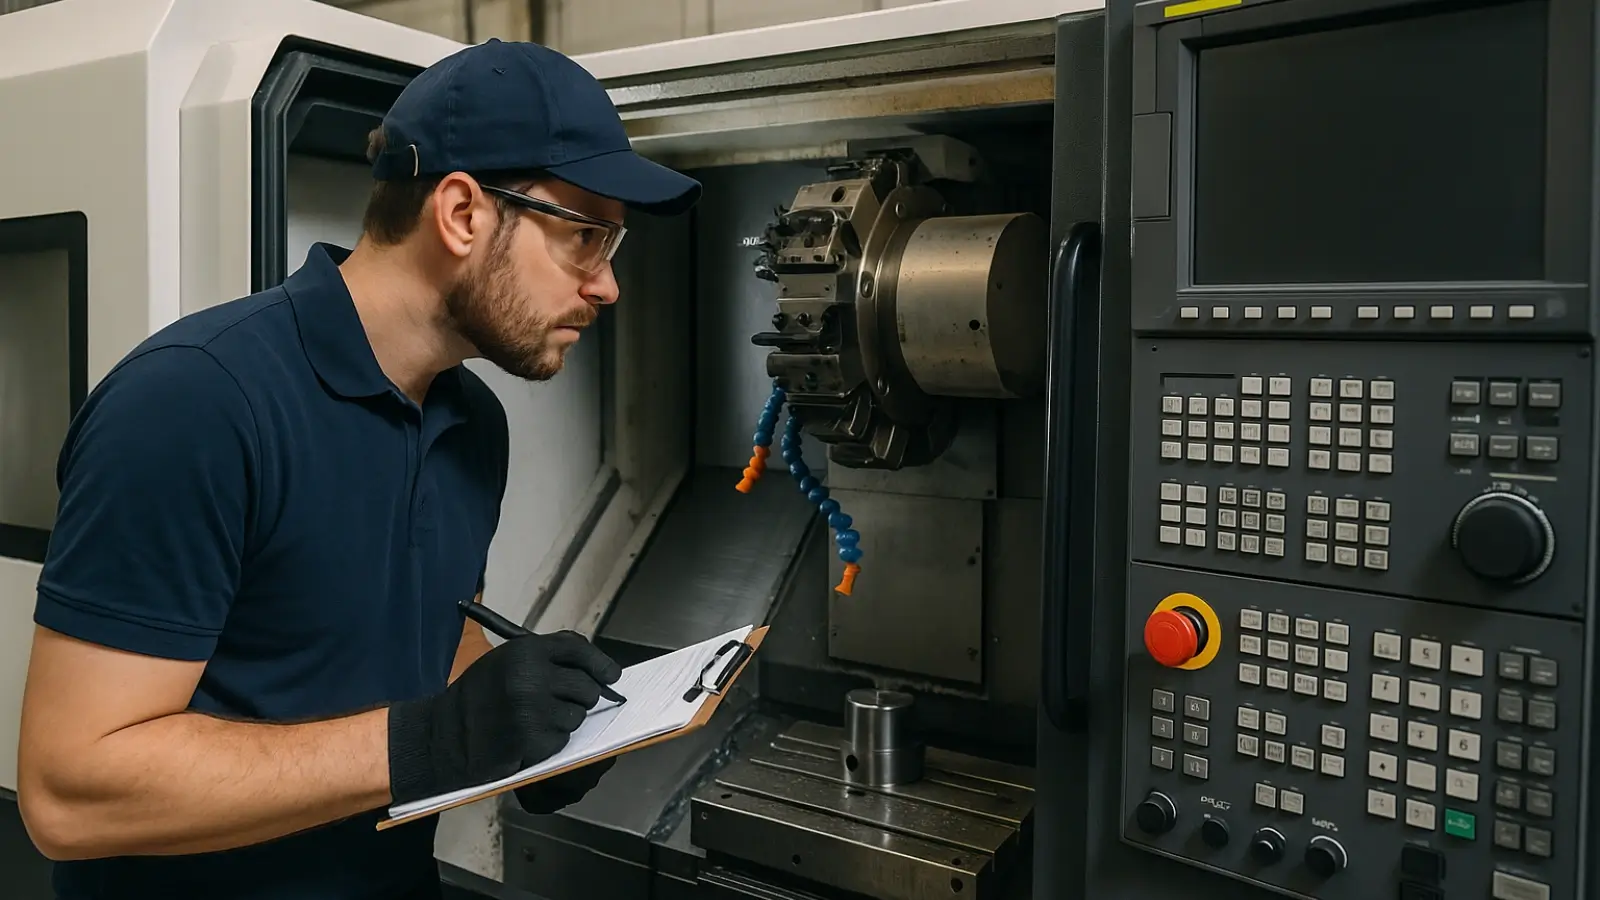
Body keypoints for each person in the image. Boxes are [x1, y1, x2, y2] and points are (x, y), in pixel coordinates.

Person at [14, 38, 701, 900]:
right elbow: (69, 792)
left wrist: (524, 727)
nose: (606, 286)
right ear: (461, 214)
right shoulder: (197, 403)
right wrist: (435, 741)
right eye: (585, 237)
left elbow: (431, 631)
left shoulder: (471, 420)